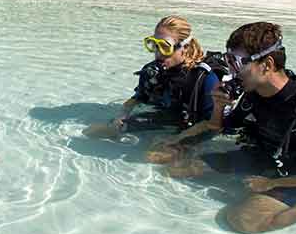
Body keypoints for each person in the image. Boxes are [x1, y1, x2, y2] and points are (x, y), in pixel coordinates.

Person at [170, 22, 296, 234]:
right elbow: (217, 127)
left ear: (267, 64)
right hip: (265, 158)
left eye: (237, 63)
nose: (232, 71)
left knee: (244, 221)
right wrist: (218, 107)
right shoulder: (253, 95)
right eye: (229, 61)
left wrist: (270, 184)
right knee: (178, 168)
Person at [83, 16, 220, 162]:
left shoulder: (204, 79)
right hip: (165, 118)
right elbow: (138, 97)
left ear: (184, 47)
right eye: (153, 44)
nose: (158, 53)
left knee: (151, 158)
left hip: (193, 128)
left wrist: (177, 139)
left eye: (165, 47)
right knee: (92, 132)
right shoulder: (151, 70)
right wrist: (122, 115)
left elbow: (212, 124)